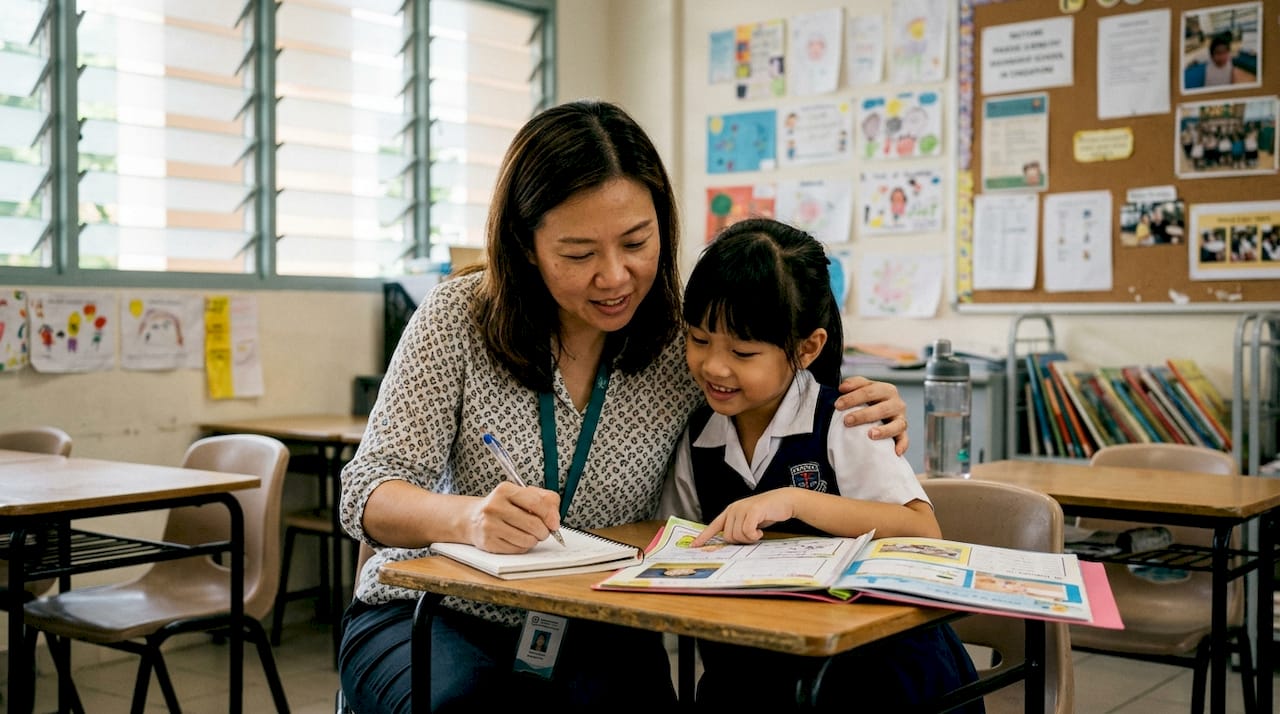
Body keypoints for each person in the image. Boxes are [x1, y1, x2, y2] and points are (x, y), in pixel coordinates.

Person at [337, 100, 911, 714]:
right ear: (526, 245)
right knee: (474, 706)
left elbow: (772, 379)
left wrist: (854, 402)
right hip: (437, 612)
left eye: (636, 242)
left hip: (595, 618)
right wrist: (469, 518)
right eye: (579, 254)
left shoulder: (685, 343)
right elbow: (366, 492)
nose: (616, 277)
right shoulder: (457, 319)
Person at [658, 218, 982, 712]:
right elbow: (676, 536)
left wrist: (794, 500)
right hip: (753, 668)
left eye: (742, 352)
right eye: (699, 340)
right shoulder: (699, 435)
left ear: (808, 347)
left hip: (873, 672)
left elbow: (922, 528)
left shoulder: (849, 419)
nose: (714, 367)